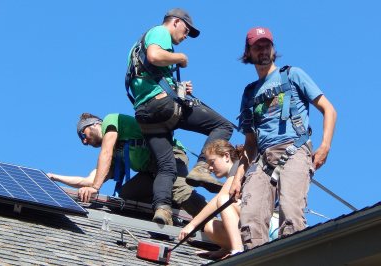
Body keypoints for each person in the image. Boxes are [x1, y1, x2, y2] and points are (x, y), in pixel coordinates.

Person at [229, 27, 337, 249]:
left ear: (273, 49)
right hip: (262, 158)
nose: (263, 50)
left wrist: (325, 145)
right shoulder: (249, 93)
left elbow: (329, 109)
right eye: (257, 47)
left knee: (291, 214)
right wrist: (238, 176)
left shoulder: (292, 74)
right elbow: (250, 144)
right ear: (248, 53)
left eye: (267, 45)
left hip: (294, 149)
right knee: (250, 219)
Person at [125, 8, 234, 220]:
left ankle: (162, 208)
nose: (185, 36)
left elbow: (147, 73)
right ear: (175, 22)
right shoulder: (159, 32)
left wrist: (178, 86)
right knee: (223, 126)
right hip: (161, 106)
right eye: (186, 30)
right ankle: (202, 167)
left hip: (146, 114)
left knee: (166, 167)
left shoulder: (137, 46)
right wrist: (179, 57)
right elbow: (154, 55)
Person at [48, 113, 207, 225]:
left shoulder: (111, 120)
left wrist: (96, 187)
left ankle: (208, 219)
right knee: (127, 195)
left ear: (96, 124)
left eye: (83, 135)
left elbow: (106, 152)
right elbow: (88, 181)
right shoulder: (116, 156)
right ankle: (168, 216)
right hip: (151, 172)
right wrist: (54, 177)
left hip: (169, 157)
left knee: (179, 191)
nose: (84, 142)